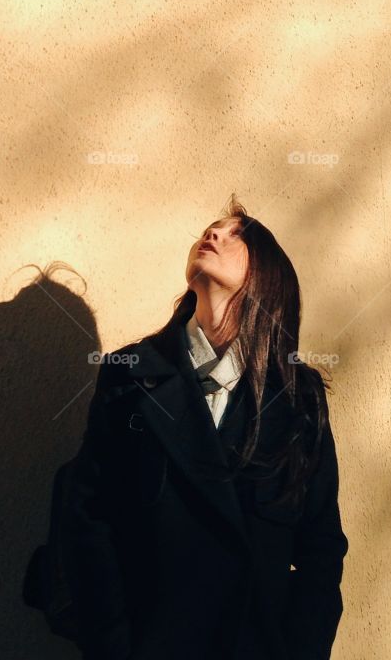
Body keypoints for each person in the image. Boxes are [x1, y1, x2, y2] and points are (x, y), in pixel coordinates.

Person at [56, 195, 348, 660]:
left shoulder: (299, 399)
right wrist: (113, 646)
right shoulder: (131, 373)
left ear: (265, 277)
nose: (212, 235)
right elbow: (88, 521)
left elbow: (320, 548)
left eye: (236, 235)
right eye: (211, 229)